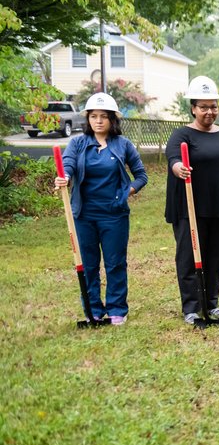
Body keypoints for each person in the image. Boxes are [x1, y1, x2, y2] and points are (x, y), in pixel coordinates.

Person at [54, 93, 147, 325]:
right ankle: (93, 309)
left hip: (114, 215)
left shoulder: (123, 145)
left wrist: (128, 192)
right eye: (93, 116)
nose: (98, 121)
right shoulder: (78, 143)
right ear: (88, 119)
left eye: (103, 117)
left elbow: (141, 175)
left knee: (115, 262)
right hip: (84, 214)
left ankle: (117, 309)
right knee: (88, 264)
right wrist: (64, 177)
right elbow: (68, 164)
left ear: (112, 120)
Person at [165, 76, 219, 324]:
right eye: (203, 107)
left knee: (215, 256)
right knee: (189, 257)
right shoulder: (182, 134)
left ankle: (211, 304)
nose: (209, 112)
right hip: (190, 207)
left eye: (213, 106)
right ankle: (191, 307)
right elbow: (173, 158)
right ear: (193, 108)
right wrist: (179, 168)